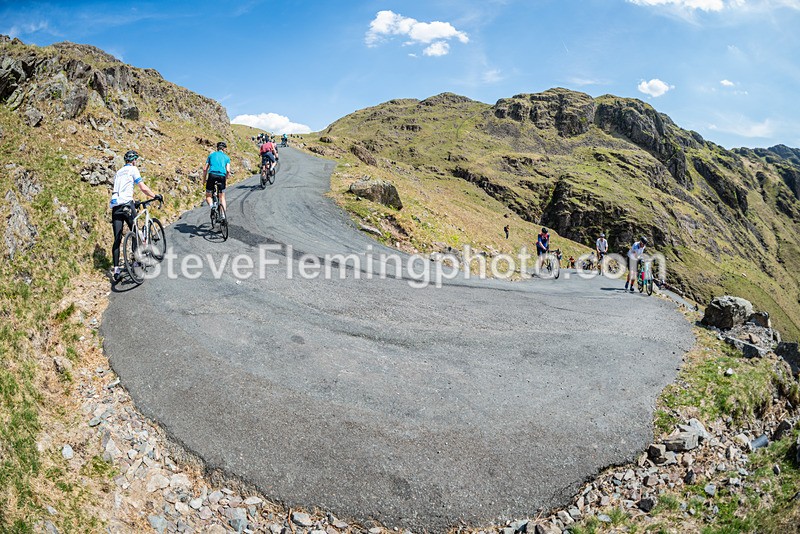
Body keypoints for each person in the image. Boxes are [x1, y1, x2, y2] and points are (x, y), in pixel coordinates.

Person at [109, 150, 161, 282]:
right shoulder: (133, 169)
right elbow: (142, 187)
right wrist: (155, 196)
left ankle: (116, 270)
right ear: (133, 161)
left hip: (115, 207)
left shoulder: (118, 172)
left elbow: (122, 189)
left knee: (117, 238)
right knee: (135, 232)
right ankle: (136, 264)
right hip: (127, 204)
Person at [204, 141, 231, 219]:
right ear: (224, 149)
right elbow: (228, 170)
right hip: (222, 176)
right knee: (222, 197)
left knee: (208, 196)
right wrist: (225, 179)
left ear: (217, 148)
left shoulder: (211, 155)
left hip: (212, 175)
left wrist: (204, 180)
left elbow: (205, 169)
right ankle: (223, 215)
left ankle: (212, 206)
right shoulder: (227, 157)